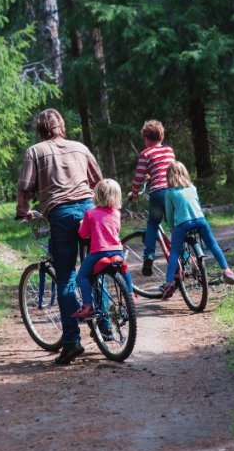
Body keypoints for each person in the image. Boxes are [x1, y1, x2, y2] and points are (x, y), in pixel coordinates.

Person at [16, 109, 102, 364]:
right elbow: (98, 180)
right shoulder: (80, 147)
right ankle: (106, 325)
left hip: (61, 214)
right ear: (61, 126)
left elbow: (25, 187)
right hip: (88, 210)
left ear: (40, 129)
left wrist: (23, 211)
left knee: (65, 276)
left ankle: (72, 341)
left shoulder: (35, 151)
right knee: (95, 265)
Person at [160, 161, 234, 299]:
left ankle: (168, 283)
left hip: (182, 225)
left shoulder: (169, 193)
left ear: (168, 176)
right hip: (200, 220)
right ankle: (227, 271)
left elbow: (169, 214)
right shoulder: (192, 187)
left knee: (174, 252)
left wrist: (172, 229)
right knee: (213, 244)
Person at [71, 179, 134, 319]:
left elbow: (83, 234)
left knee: (82, 276)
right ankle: (130, 294)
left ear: (96, 195)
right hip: (117, 250)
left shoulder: (90, 213)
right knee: (125, 269)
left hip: (97, 252)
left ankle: (87, 305)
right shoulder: (116, 213)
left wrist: (82, 223)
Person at [127, 120, 176, 276]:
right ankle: (185, 255)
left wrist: (134, 195)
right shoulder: (169, 150)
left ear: (146, 139)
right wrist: (151, 176)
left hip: (158, 194)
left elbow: (138, 179)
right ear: (161, 137)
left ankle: (148, 255)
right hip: (173, 192)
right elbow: (164, 170)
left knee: (153, 223)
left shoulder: (145, 154)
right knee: (174, 226)